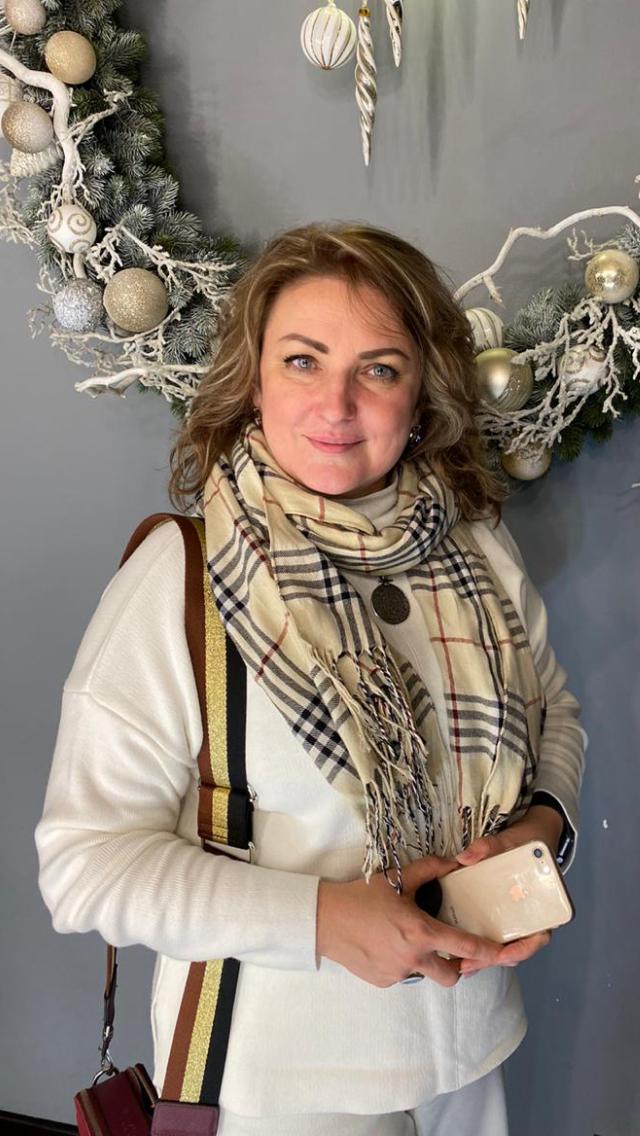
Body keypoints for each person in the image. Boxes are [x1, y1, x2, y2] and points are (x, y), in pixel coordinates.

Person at [35, 222, 586, 1136]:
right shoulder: (183, 578)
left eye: (380, 368)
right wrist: (323, 920)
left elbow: (552, 709)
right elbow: (84, 867)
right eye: (302, 361)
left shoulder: (477, 551)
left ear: (421, 394)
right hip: (283, 1087)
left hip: (471, 1048)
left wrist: (541, 828)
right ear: (253, 380)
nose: (337, 403)